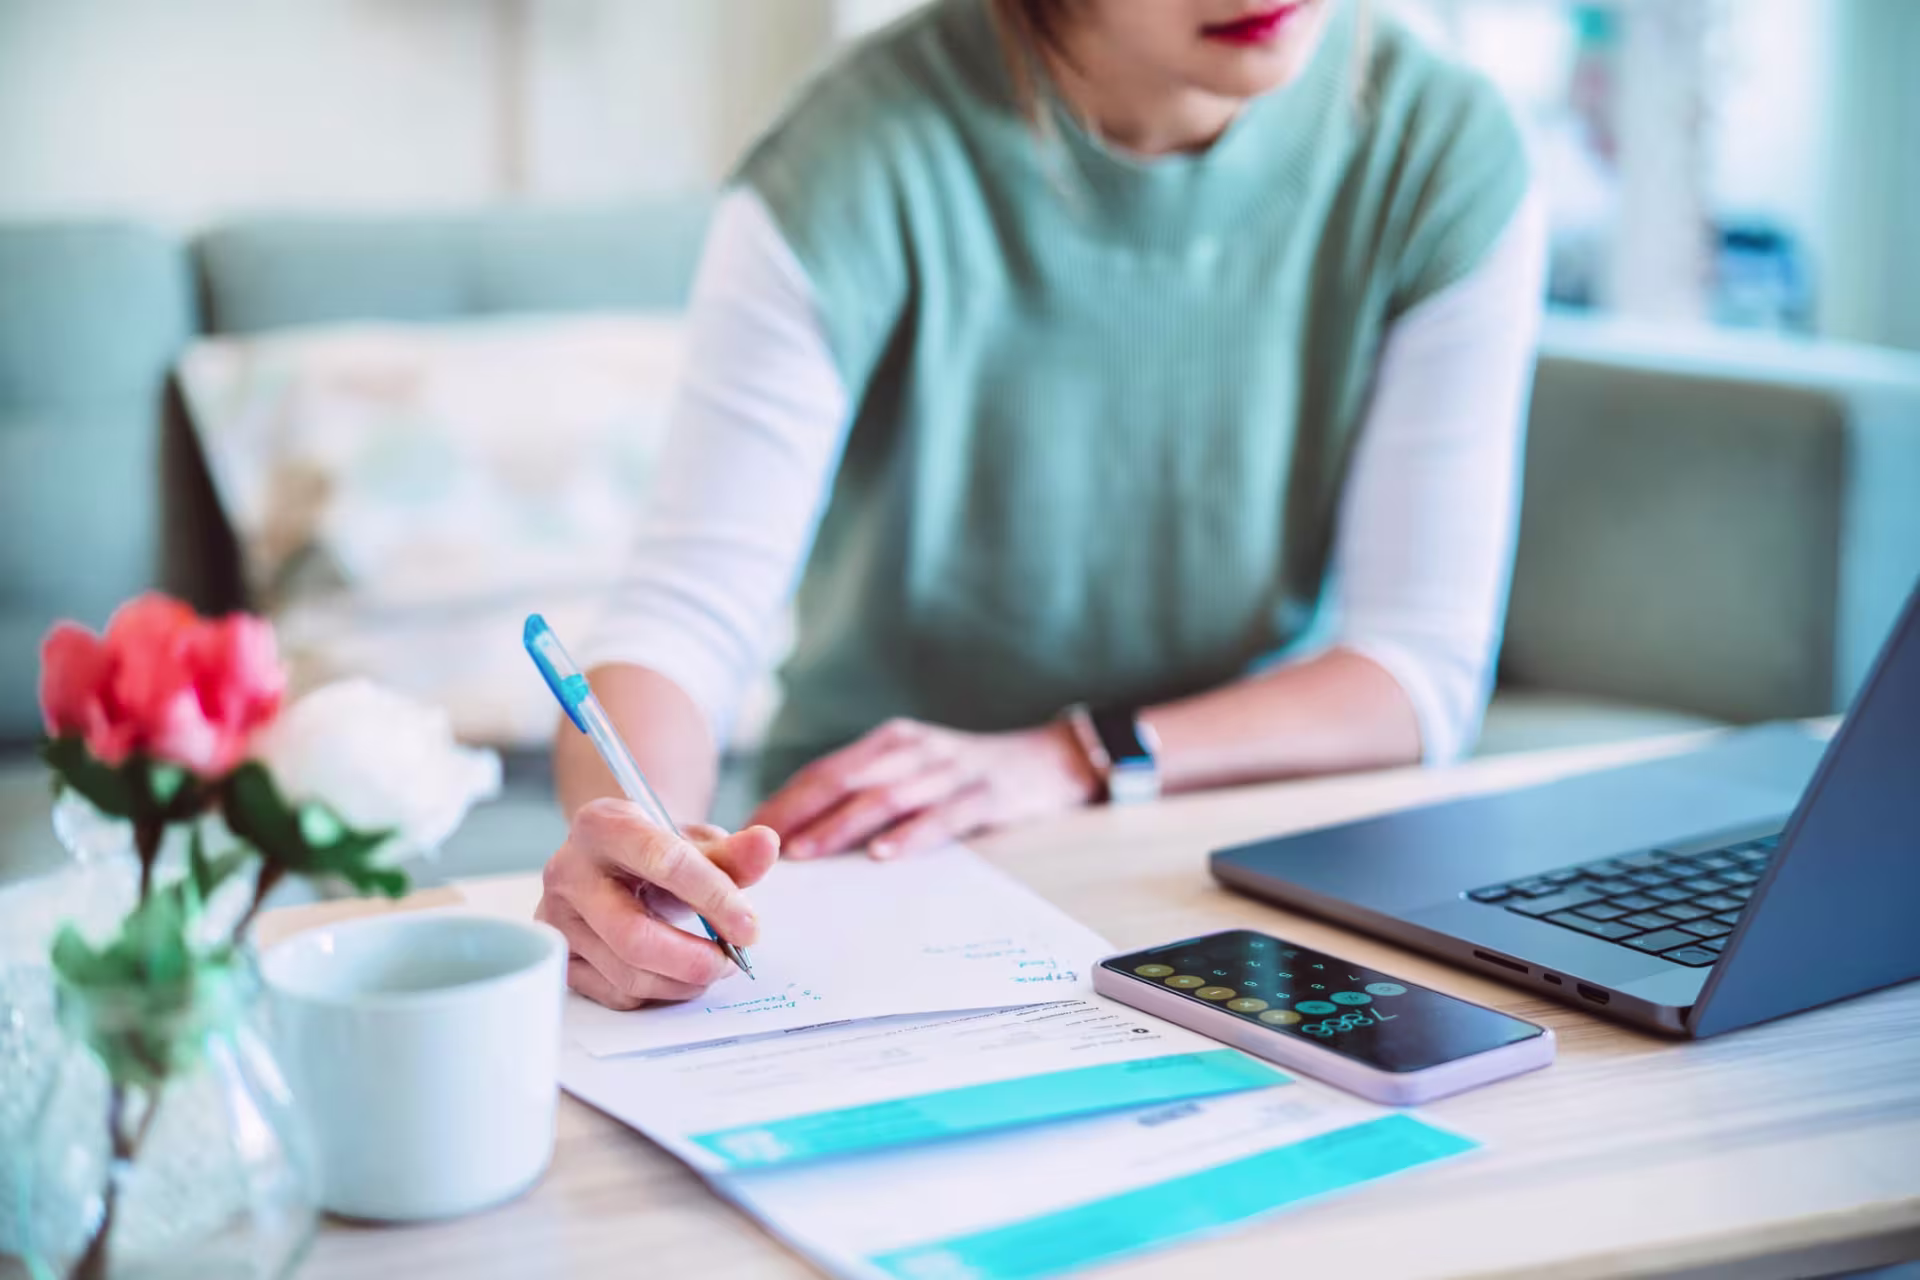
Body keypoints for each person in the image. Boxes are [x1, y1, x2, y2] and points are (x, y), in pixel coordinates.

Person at [538, 0, 1546, 1010]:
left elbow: (1418, 669)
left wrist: (1071, 755)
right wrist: (634, 845)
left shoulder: (1440, 146)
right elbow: (685, 610)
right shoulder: (854, 150)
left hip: (1256, 852)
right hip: (879, 863)